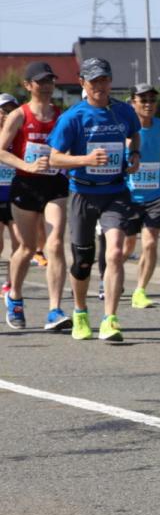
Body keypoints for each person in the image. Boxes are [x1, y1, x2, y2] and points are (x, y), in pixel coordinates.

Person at [47, 58, 141, 342]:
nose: (100, 86)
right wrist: (85, 160)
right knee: (83, 260)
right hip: (83, 192)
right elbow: (53, 157)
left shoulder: (123, 111)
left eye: (104, 80)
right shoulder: (73, 117)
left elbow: (134, 134)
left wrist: (134, 155)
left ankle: (110, 319)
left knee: (114, 252)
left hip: (115, 191)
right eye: (94, 81)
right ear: (82, 83)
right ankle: (80, 312)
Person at [0, 63, 70, 331]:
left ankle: (54, 310)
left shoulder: (61, 116)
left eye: (50, 80)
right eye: (40, 81)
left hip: (54, 186)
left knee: (54, 244)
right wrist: (27, 165)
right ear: (28, 85)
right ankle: (15, 297)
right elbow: (1, 150)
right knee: (26, 248)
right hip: (26, 186)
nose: (47, 85)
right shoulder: (19, 115)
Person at [120, 83, 160, 309]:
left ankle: (140, 290)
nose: (148, 104)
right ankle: (111, 277)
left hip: (155, 195)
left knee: (150, 242)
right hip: (129, 196)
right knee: (125, 248)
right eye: (143, 100)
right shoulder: (124, 129)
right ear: (132, 102)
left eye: (152, 100)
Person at [0, 94, 19, 296]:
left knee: (19, 243)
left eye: (11, 111)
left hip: (15, 197)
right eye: (3, 111)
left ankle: (10, 281)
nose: (6, 115)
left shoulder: (18, 137)